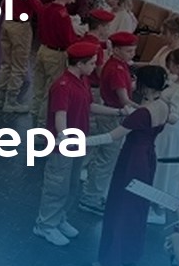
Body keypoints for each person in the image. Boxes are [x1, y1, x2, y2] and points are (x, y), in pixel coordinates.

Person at [32, 41, 125, 246]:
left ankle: (59, 218)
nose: (94, 67)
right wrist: (65, 137)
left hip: (77, 144)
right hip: (62, 147)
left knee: (71, 184)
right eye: (91, 63)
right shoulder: (62, 86)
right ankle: (45, 224)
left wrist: (118, 112)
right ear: (80, 63)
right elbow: (60, 116)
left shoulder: (82, 80)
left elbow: (90, 106)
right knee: (56, 186)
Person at [86, 65, 170, 266]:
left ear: (144, 86)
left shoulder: (142, 113)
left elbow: (111, 136)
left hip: (132, 158)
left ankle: (109, 260)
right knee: (137, 207)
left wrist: (81, 141)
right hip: (148, 157)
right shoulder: (163, 106)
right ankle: (130, 253)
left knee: (119, 206)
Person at [80, 31, 140, 215]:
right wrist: (144, 109)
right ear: (117, 50)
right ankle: (92, 197)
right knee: (106, 159)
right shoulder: (117, 70)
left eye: (133, 50)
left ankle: (91, 190)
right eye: (129, 51)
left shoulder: (115, 64)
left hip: (107, 112)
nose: (132, 54)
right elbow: (124, 100)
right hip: (113, 116)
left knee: (101, 155)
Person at [148, 49, 179, 224]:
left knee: (165, 169)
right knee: (158, 166)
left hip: (170, 133)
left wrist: (155, 110)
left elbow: (175, 116)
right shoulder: (177, 81)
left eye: (170, 64)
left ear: (178, 67)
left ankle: (159, 209)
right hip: (163, 131)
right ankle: (153, 202)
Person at [31, 0, 83, 125]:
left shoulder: (46, 8)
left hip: (43, 49)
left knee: (38, 87)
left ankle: (34, 114)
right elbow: (68, 39)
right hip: (56, 54)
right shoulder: (63, 15)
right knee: (51, 90)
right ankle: (42, 124)